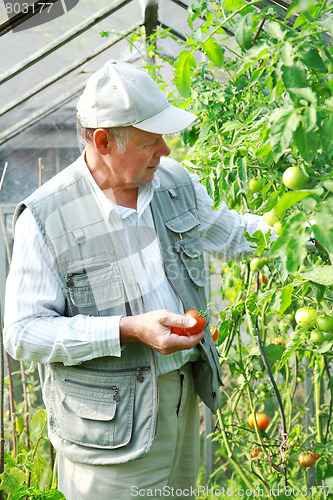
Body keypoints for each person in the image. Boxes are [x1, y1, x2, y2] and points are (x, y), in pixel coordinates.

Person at [4, 60, 273, 500]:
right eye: (151, 142)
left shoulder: (173, 182)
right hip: (106, 429)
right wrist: (127, 330)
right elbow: (22, 334)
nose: (165, 151)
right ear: (104, 141)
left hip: (182, 398)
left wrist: (307, 230)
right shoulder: (47, 217)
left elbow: (229, 230)